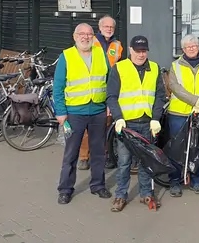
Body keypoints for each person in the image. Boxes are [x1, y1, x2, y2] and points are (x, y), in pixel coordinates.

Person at [105, 35, 168, 212]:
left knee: (145, 161)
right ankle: (121, 195)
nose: (141, 54)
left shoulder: (154, 68)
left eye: (144, 51)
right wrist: (118, 118)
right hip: (126, 125)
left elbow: (159, 96)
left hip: (147, 122)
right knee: (124, 161)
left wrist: (156, 117)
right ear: (131, 50)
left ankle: (146, 192)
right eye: (138, 51)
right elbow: (111, 96)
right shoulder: (120, 68)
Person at [53, 23, 111, 205]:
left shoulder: (100, 54)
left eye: (89, 34)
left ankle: (98, 185)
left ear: (93, 36)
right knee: (71, 153)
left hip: (98, 111)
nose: (86, 37)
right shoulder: (66, 56)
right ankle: (65, 189)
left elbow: (109, 81)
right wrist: (61, 112)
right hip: (74, 113)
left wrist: (109, 104)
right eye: (82, 34)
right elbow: (58, 87)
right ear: (75, 36)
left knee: (98, 152)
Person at [166, 34, 199, 196]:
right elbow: (174, 87)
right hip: (179, 113)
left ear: (198, 47)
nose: (192, 48)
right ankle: (175, 181)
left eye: (194, 46)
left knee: (197, 149)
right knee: (176, 149)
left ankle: (196, 181)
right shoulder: (175, 66)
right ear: (183, 49)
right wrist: (196, 100)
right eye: (188, 47)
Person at [79, 15, 123, 171]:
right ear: (100, 28)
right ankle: (84, 157)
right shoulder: (92, 41)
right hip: (92, 88)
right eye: (106, 27)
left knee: (106, 125)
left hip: (110, 88)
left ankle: (105, 155)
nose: (109, 29)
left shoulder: (118, 45)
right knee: (86, 126)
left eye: (111, 27)